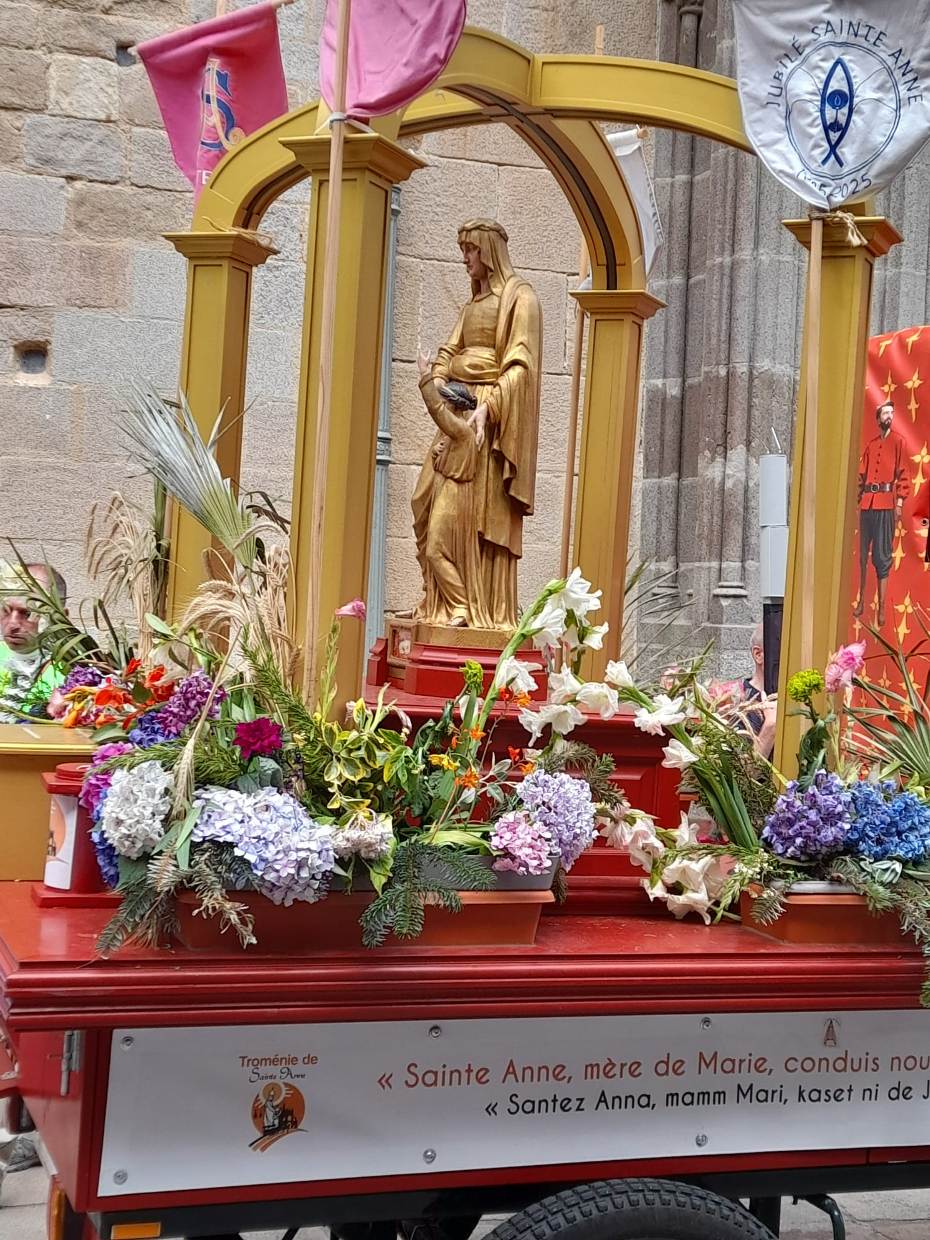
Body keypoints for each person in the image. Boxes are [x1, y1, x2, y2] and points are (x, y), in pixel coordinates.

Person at [411, 219, 542, 630]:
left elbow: (521, 367)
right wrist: (436, 378)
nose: (465, 258)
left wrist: (490, 406)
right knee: (421, 500)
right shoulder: (470, 306)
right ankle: (440, 599)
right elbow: (448, 351)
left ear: (488, 249)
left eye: (470, 249)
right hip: (457, 408)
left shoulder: (520, 299)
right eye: (462, 249)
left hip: (490, 423)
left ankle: (472, 606)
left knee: (473, 521)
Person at [414, 351, 493, 628]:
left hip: (453, 494)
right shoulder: (455, 434)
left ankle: (460, 605)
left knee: (435, 550)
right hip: (446, 490)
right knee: (435, 549)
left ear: (452, 404)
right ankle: (443, 603)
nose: (443, 406)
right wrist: (438, 453)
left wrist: (426, 376)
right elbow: (445, 455)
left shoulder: (460, 430)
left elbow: (436, 411)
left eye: (445, 401)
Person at [855, 400, 910, 626]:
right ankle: (861, 601)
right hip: (867, 504)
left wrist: (899, 503)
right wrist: (857, 499)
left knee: (882, 556)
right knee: (862, 556)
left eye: (891, 413)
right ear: (878, 419)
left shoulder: (899, 442)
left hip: (886, 505)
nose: (888, 416)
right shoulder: (871, 445)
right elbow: (861, 475)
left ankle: (882, 608)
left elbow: (904, 473)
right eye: (885, 413)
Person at [0, 561, 66, 723]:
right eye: (6, 610)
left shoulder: (74, 671)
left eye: (27, 613)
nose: (13, 624)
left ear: (59, 617)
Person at [741, 623, 776, 760]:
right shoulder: (734, 703)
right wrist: (770, 729)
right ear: (758, 654)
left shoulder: (802, 701)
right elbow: (737, 772)